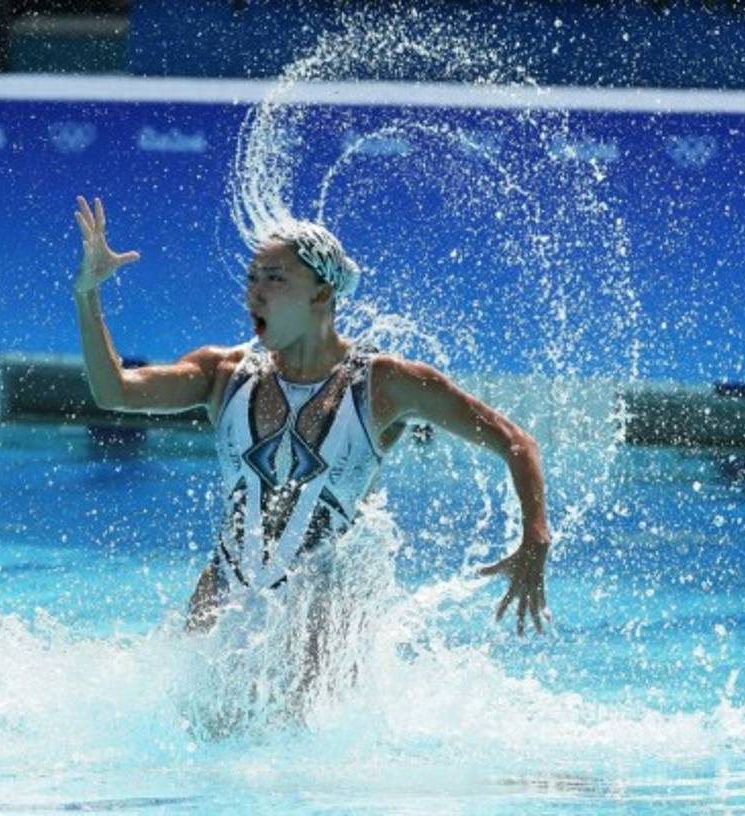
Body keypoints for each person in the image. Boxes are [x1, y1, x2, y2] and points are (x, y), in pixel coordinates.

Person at [72, 195, 551, 643]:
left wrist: (535, 536)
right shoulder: (222, 373)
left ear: (322, 292)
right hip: (222, 595)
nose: (255, 293)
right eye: (252, 277)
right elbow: (114, 391)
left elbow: (515, 442)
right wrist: (86, 296)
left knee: (297, 734)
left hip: (320, 611)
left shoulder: (383, 383)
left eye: (275, 278)